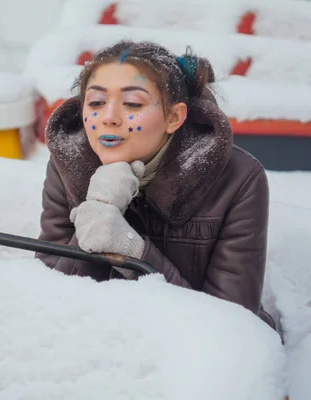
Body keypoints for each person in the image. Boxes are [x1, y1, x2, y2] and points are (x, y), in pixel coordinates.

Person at [36, 40, 273, 328]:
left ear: (174, 117)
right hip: (93, 342)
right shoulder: (67, 164)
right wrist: (97, 210)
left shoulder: (239, 179)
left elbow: (232, 325)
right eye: (96, 102)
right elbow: (48, 300)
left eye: (132, 104)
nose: (109, 118)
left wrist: (132, 252)